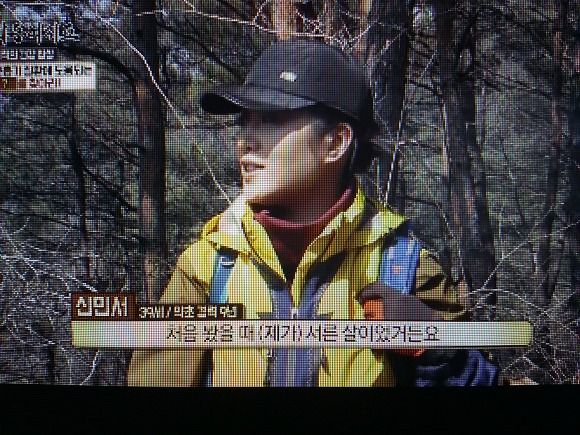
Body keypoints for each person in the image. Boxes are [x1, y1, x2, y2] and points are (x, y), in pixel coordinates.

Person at [127, 38, 496, 387]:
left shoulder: (403, 267)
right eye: (244, 122)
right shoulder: (206, 269)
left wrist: (438, 352)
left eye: (271, 119)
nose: (245, 141)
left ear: (335, 143)